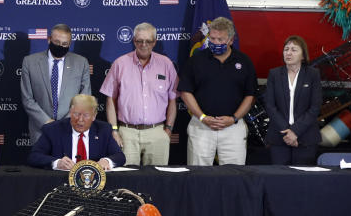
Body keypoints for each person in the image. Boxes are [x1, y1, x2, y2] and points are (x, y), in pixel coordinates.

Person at [178, 16, 257, 165]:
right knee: (198, 176)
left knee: (233, 175)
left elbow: (250, 95)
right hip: (201, 126)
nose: (215, 43)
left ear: (231, 40)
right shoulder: (196, 60)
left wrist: (233, 118)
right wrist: (202, 117)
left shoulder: (244, 61)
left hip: (233, 127)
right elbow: (185, 91)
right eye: (212, 38)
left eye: (220, 40)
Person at [100, 22, 178, 166]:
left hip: (157, 132)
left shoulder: (166, 64)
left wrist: (168, 129)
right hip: (127, 133)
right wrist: (114, 130)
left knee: (157, 179)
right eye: (139, 41)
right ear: (134, 41)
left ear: (154, 42)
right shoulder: (120, 64)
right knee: (126, 179)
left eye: (148, 41)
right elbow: (110, 99)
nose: (144, 45)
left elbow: (172, 100)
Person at [20, 23, 91, 144]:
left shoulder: (81, 63)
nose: (60, 46)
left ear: (70, 43)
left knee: (69, 163)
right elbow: (27, 99)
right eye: (57, 42)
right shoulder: (30, 62)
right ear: (49, 40)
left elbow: (85, 98)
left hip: (71, 128)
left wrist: (66, 122)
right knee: (42, 162)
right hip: (40, 129)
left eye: (65, 44)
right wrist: (46, 122)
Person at [263, 35, 323, 165]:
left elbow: (315, 107)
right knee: (279, 180)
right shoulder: (274, 74)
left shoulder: (313, 74)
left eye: (294, 50)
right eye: (286, 49)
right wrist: (287, 132)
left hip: (305, 137)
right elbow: (270, 106)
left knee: (303, 181)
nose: (288, 53)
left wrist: (295, 131)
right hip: (279, 137)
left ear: (303, 55)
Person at [28, 94, 125, 170]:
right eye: (76, 114)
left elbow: (120, 156)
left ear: (94, 116)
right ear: (70, 112)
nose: (80, 120)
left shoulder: (103, 130)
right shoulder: (53, 129)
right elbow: (34, 156)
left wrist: (107, 161)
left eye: (86, 115)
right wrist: (57, 163)